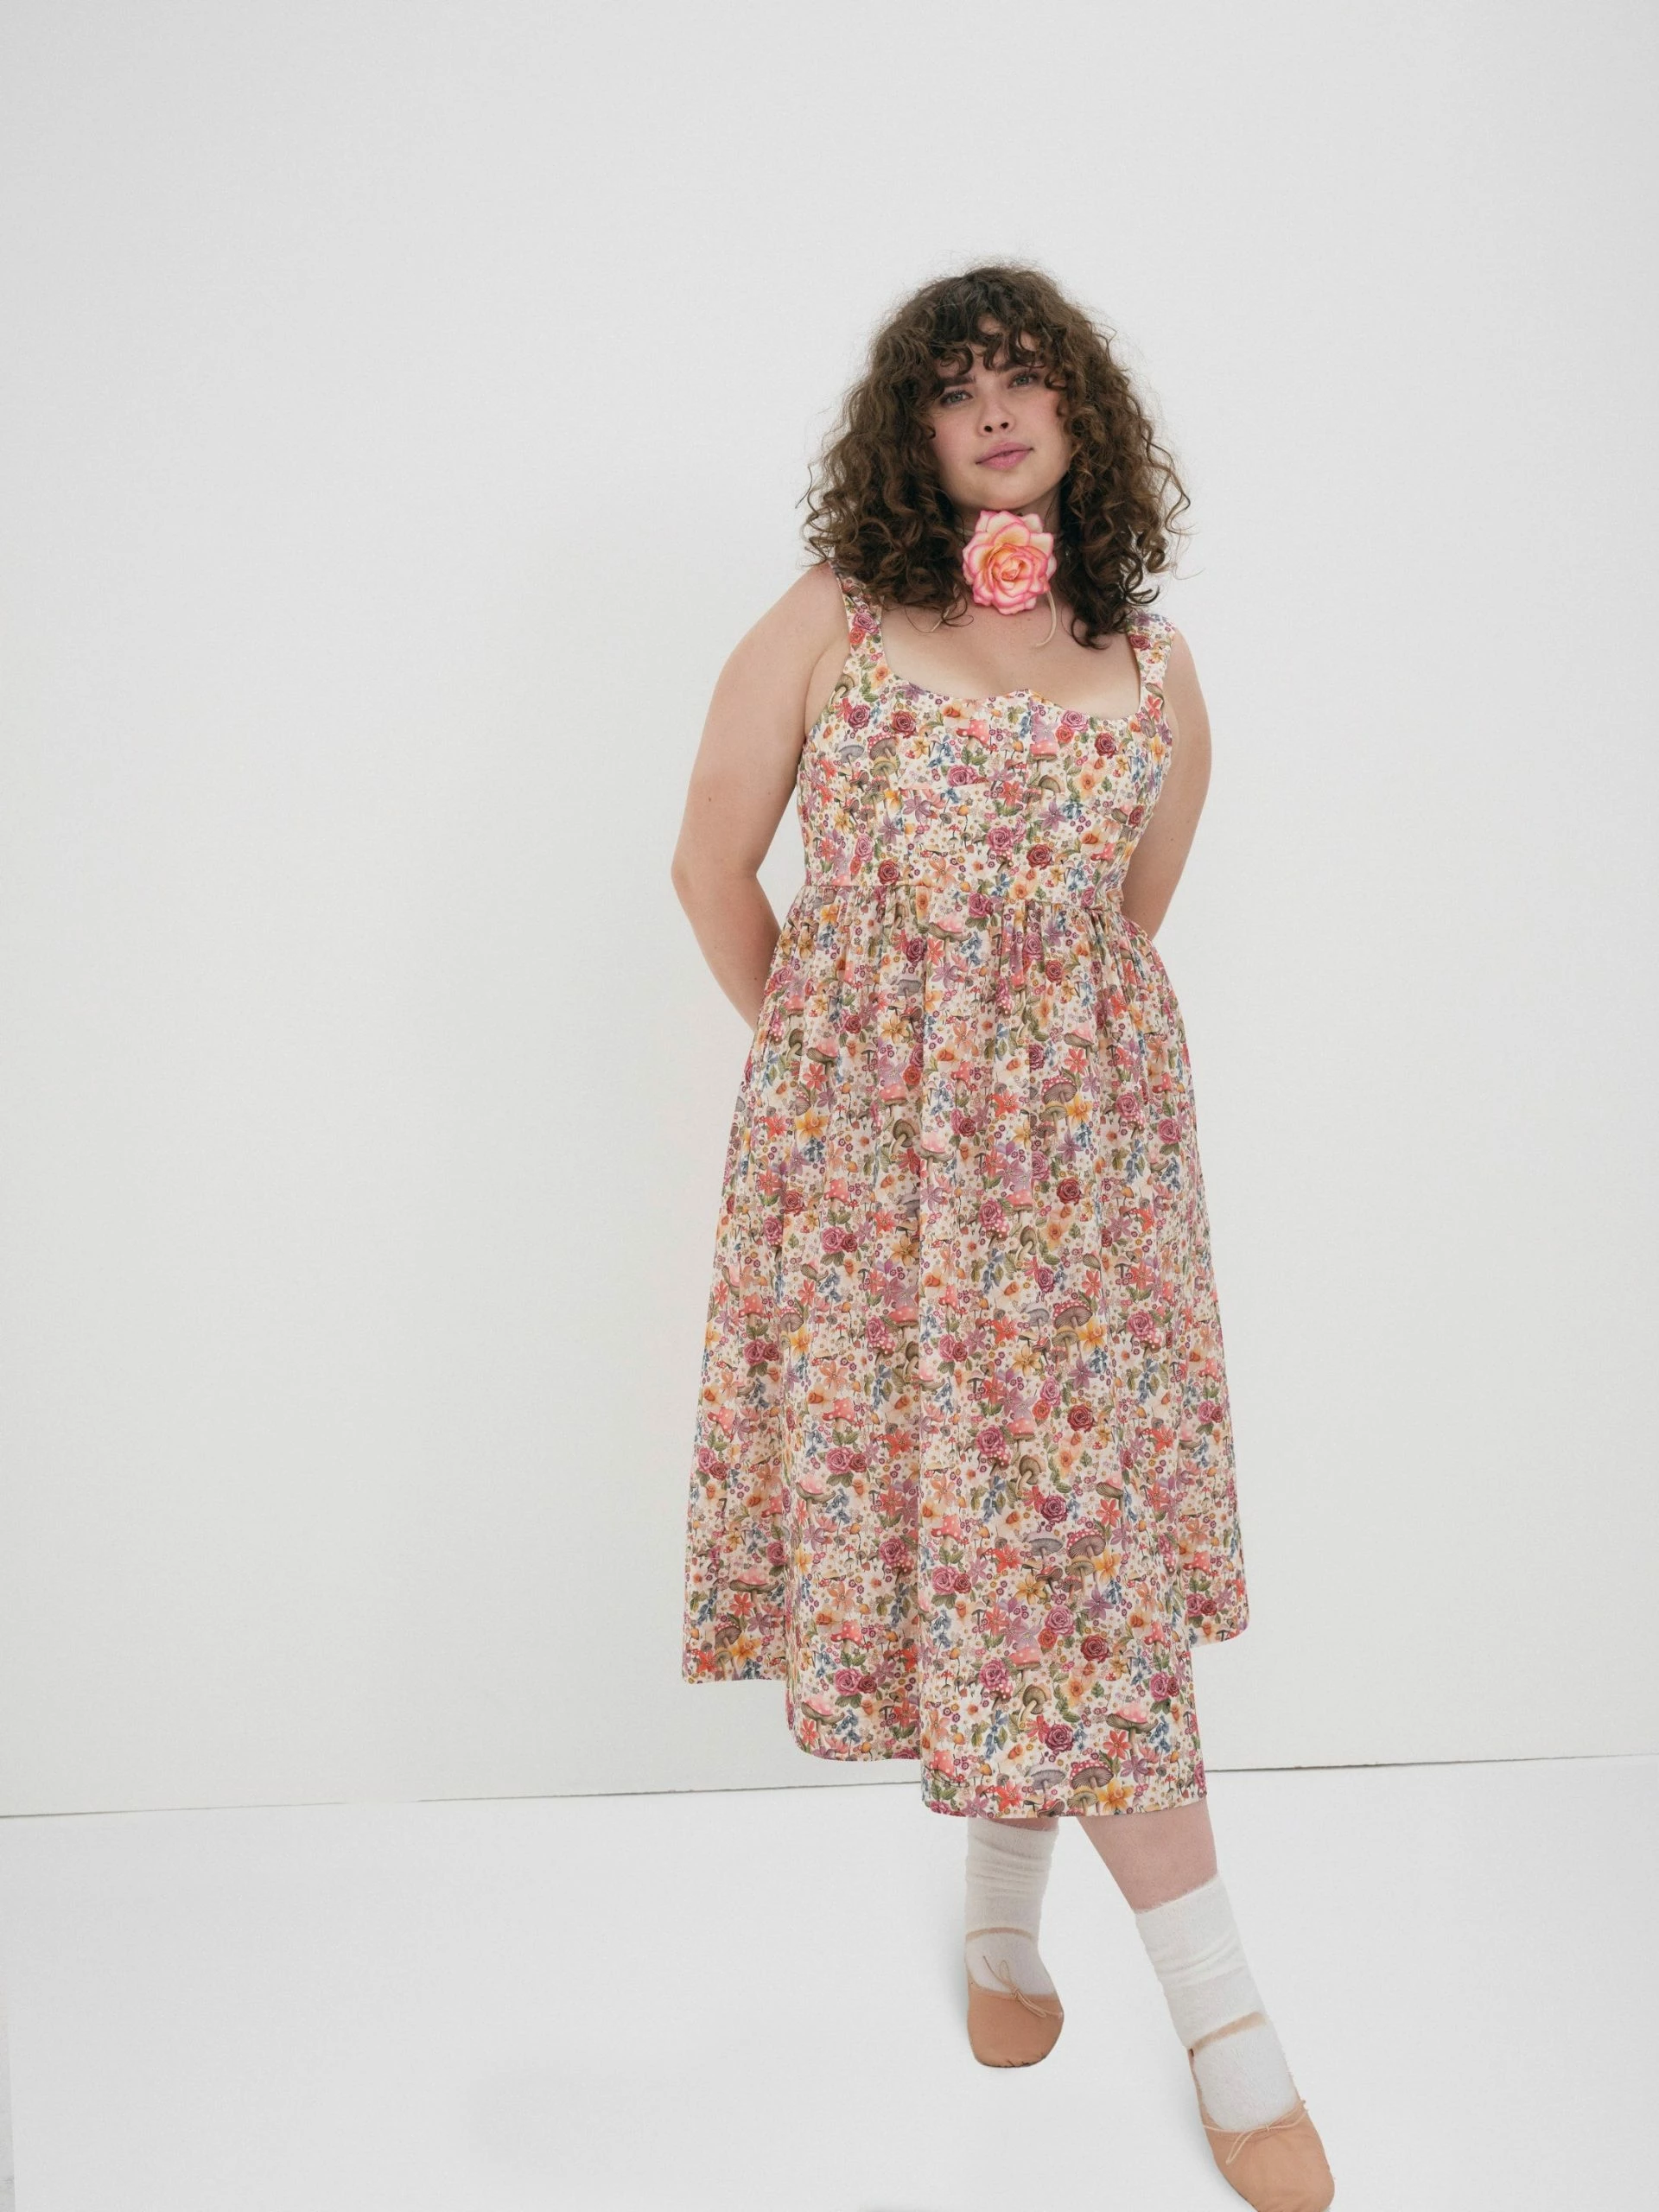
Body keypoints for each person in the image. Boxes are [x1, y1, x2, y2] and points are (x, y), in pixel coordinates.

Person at [671, 264, 1333, 2210]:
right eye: (954, 383)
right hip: (879, 1185)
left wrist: (1019, 1092)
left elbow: (1123, 929)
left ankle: (1057, 1941)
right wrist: (845, 1089)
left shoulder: (1156, 661)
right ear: (914, 428)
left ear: (1079, 415)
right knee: (1006, 1546)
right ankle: (1175, 1996)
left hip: (1090, 1188)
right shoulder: (833, 620)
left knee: (1075, 1555)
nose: (994, 405)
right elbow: (711, 863)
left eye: (1027, 375)